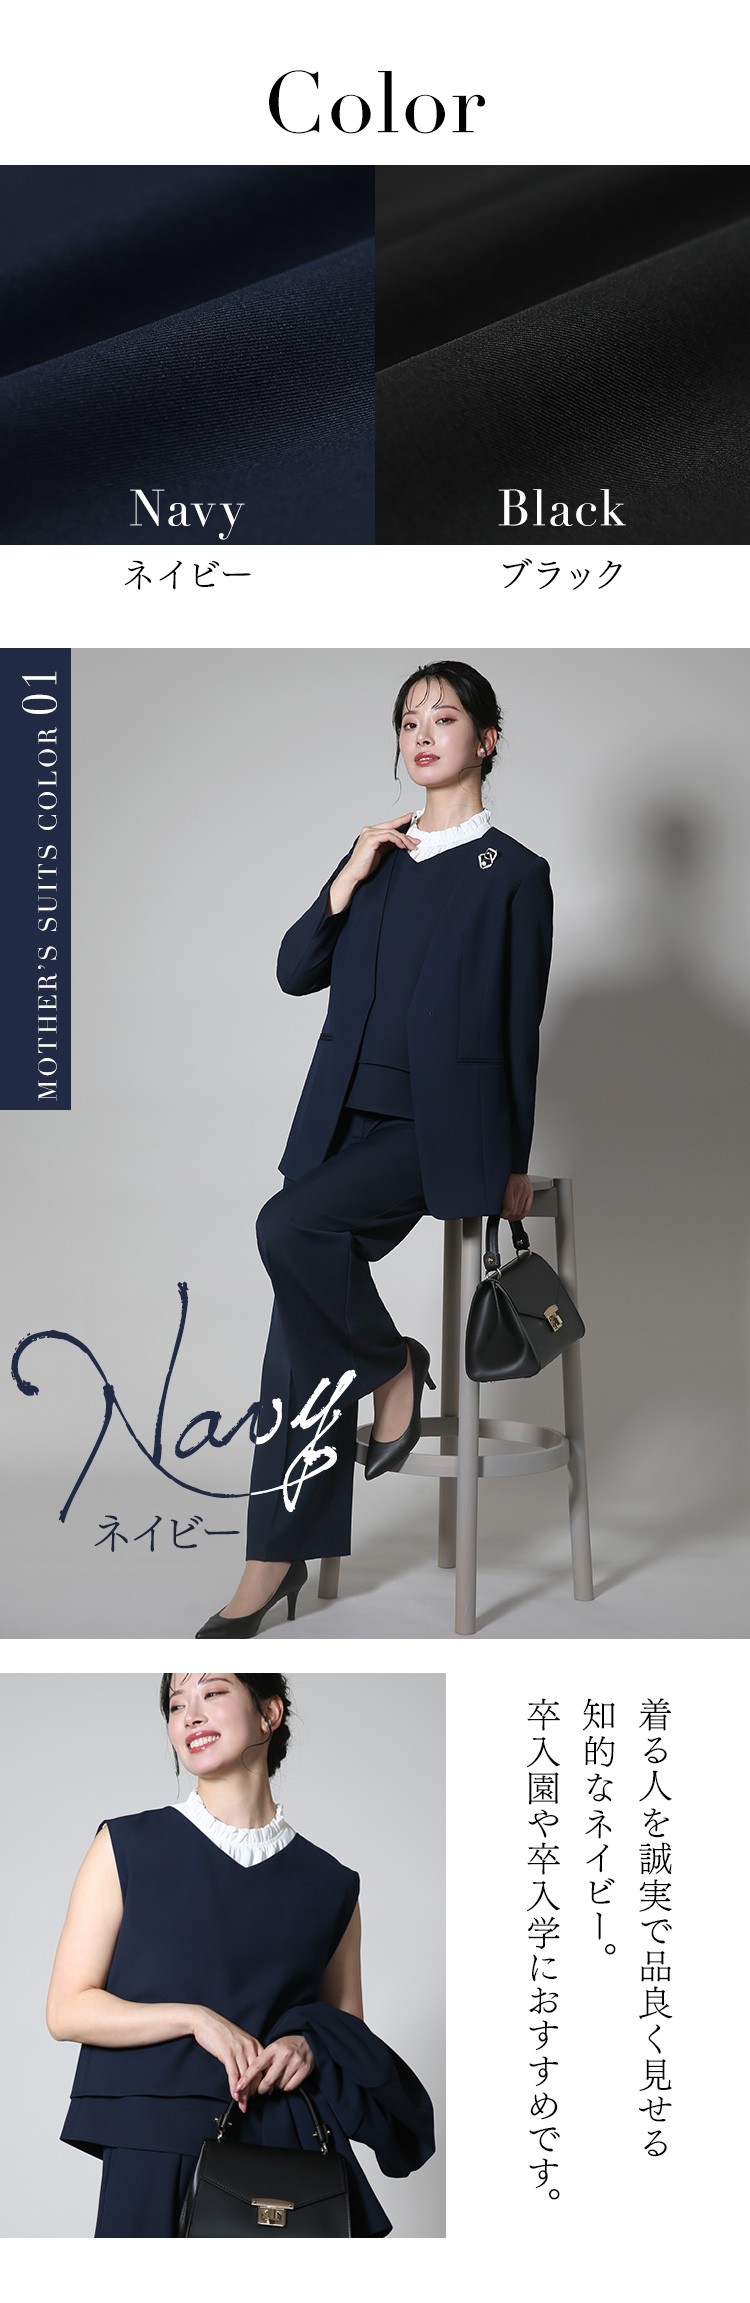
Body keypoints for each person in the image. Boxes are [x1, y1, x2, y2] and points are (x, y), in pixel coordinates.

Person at [197, 659, 553, 1636]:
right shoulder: (378, 856)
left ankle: (390, 1364)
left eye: (445, 717)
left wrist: (512, 1158)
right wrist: (348, 873)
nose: (422, 734)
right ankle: (273, 1560)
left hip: (437, 1131)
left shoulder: (515, 874)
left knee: (286, 1229)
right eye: (408, 721)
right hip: (335, 1122)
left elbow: (518, 1024)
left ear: (487, 738)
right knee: (297, 1331)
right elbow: (293, 970)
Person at [47, 1670, 435, 2238]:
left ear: (269, 1714)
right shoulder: (126, 1846)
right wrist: (195, 2020)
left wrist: (307, 2046)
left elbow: (345, 2028)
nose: (191, 1715)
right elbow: (67, 2009)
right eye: (176, 1705)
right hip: (152, 2140)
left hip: (283, 2152)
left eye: (213, 1693)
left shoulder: (331, 1885)